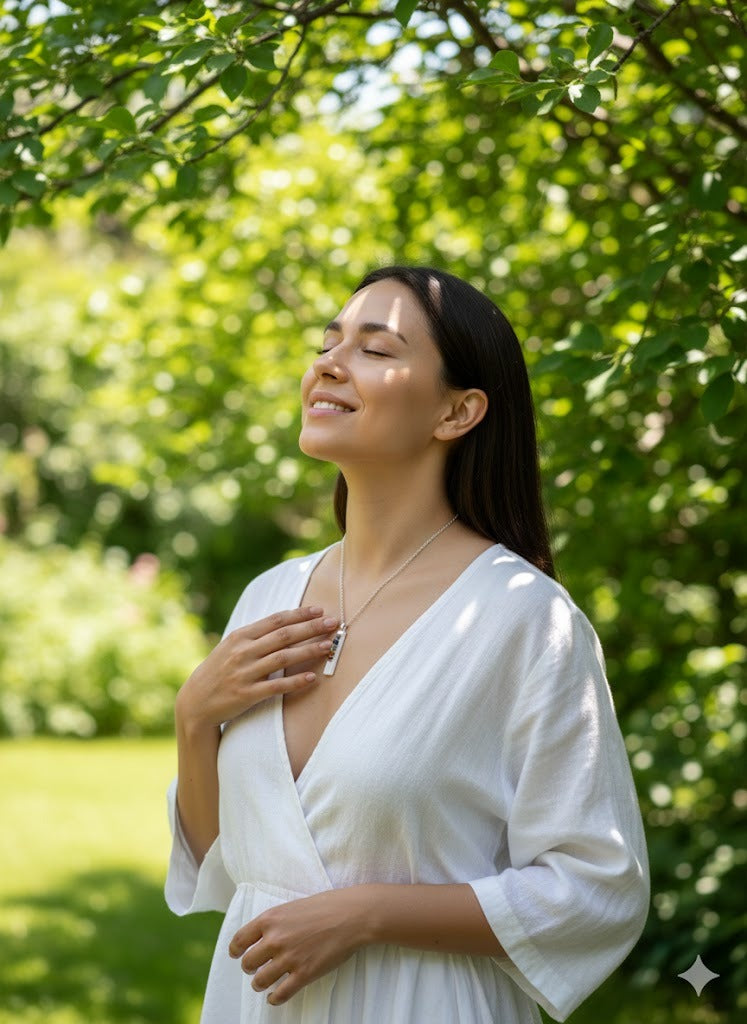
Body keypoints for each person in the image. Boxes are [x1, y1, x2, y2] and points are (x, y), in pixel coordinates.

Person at [165, 265, 649, 1023]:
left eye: (375, 349)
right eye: (328, 343)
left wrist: (370, 914)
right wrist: (194, 719)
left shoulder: (523, 619)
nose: (329, 364)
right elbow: (226, 866)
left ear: (457, 411)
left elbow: (596, 886)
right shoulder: (270, 595)